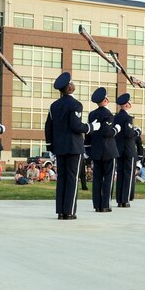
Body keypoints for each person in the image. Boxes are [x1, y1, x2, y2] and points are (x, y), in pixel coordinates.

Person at [45, 72, 98, 220]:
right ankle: (69, 211)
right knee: (72, 179)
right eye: (72, 82)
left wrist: (50, 147)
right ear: (69, 87)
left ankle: (61, 211)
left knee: (62, 179)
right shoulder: (75, 104)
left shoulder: (54, 105)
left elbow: (48, 127)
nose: (73, 84)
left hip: (60, 148)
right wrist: (91, 127)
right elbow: (76, 126)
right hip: (74, 147)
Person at [86, 87, 120, 212]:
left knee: (97, 179)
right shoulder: (108, 114)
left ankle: (97, 204)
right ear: (106, 99)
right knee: (108, 178)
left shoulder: (92, 114)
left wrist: (88, 150)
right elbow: (108, 132)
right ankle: (105, 204)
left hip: (96, 150)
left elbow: (88, 134)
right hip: (108, 150)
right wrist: (116, 129)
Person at [113, 93, 141, 208]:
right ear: (127, 104)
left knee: (120, 175)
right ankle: (125, 199)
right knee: (128, 175)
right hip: (128, 150)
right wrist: (137, 132)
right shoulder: (127, 118)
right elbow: (129, 134)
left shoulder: (115, 117)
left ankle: (120, 198)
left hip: (119, 149)